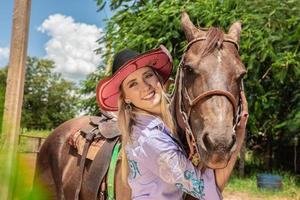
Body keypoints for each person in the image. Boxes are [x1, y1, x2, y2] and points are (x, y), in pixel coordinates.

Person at [96, 45, 248, 200]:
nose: (145, 87)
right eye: (133, 84)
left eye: (147, 75)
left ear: (158, 79)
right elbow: (206, 191)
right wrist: (240, 132)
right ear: (126, 97)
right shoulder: (151, 139)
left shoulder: (155, 126)